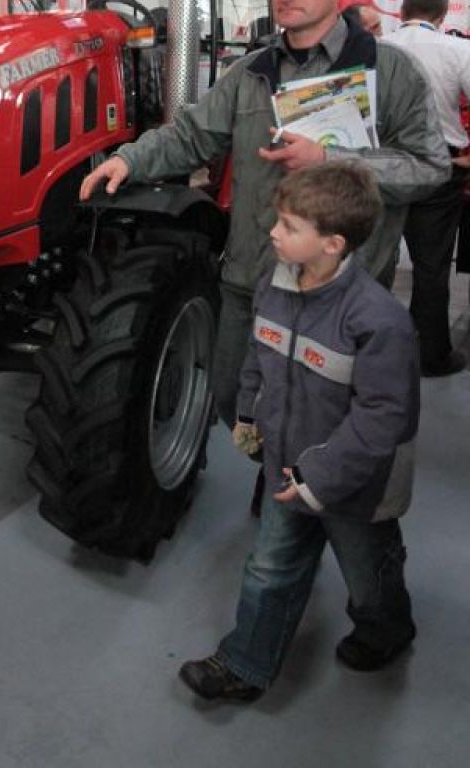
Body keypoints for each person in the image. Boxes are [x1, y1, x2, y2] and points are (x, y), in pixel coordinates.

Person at [80, 0, 450, 429]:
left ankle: (304, 487)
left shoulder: (391, 72)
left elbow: (430, 166)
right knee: (235, 398)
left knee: (332, 417)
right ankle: (273, 464)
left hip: (342, 289)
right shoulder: (250, 74)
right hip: (251, 281)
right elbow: (191, 135)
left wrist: (332, 158)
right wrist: (130, 159)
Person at [178, 162, 419, 702]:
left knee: (367, 576)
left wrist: (320, 477)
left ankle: (387, 630)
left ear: (332, 244)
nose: (272, 232)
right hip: (286, 465)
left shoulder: (378, 322)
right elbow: (259, 361)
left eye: (288, 226)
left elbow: (385, 416)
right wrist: (247, 416)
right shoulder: (274, 284)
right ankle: (244, 666)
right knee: (270, 567)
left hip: (356, 484)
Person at [385, 0, 470, 376]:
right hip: (441, 169)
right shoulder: (458, 49)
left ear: (402, 10)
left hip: (383, 168)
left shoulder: (378, 48)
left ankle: (369, 353)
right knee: (431, 268)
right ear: (443, 12)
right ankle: (431, 357)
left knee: (375, 263)